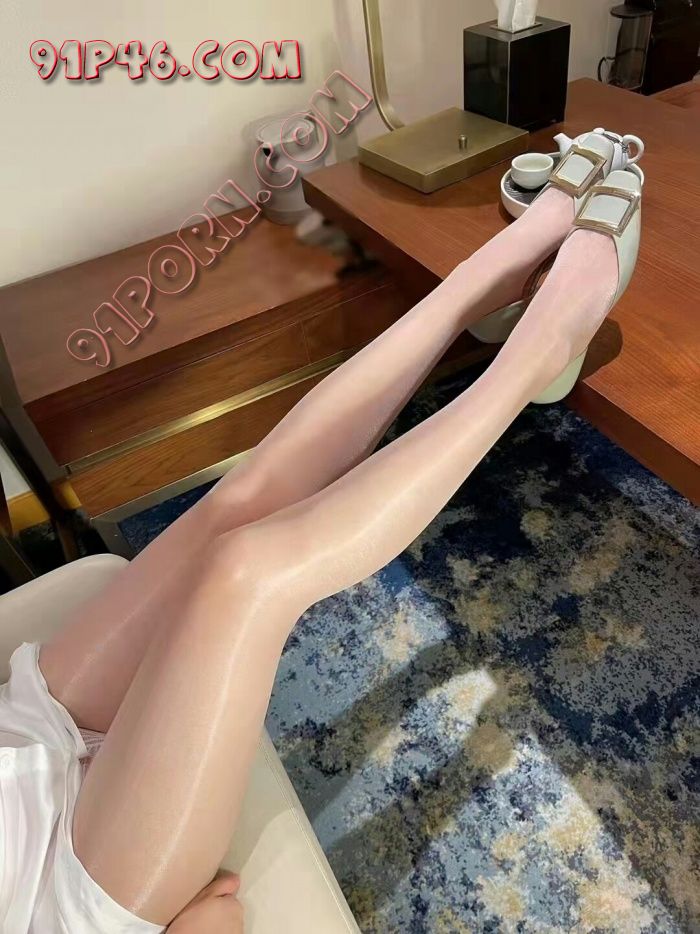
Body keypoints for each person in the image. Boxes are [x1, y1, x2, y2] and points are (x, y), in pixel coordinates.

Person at [0, 130, 643, 933]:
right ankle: (541, 346)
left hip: (16, 745)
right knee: (247, 571)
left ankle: (488, 273)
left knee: (243, 500)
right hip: (59, 900)